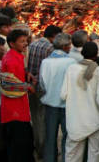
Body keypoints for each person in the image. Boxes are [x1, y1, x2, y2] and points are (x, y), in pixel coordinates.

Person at [61, 41, 99, 162]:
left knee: (72, 156)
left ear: (82, 54)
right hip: (95, 122)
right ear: (96, 55)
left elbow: (63, 95)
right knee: (94, 155)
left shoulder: (71, 69)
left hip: (75, 122)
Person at [38, 33, 77, 162]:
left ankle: (50, 159)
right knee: (67, 136)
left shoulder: (45, 62)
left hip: (50, 104)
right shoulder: (71, 61)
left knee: (50, 136)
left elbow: (42, 83)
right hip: (67, 104)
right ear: (65, 46)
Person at [26, 24, 61, 157]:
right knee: (44, 119)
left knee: (35, 118)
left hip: (31, 85)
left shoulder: (32, 45)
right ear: (54, 36)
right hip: (42, 86)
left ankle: (38, 146)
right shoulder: (50, 48)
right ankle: (44, 149)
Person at [0, 29, 34, 162]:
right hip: (15, 110)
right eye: (22, 41)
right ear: (12, 44)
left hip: (16, 108)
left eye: (26, 41)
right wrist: (28, 87)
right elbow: (9, 85)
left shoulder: (14, 56)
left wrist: (26, 75)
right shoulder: (12, 60)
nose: (25, 44)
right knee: (19, 145)